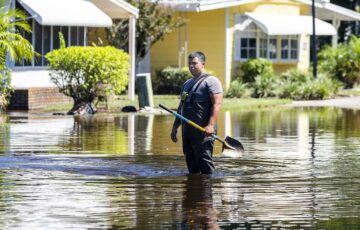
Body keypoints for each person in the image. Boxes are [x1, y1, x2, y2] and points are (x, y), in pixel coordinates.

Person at [170, 51, 223, 174]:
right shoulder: (186, 84)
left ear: (203, 64)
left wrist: (210, 125)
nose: (191, 66)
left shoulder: (211, 81)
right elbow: (181, 106)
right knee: (191, 164)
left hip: (204, 131)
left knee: (205, 162)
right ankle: (193, 190)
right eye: (189, 63)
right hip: (187, 131)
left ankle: (207, 189)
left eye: (194, 63)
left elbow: (217, 104)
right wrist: (175, 127)